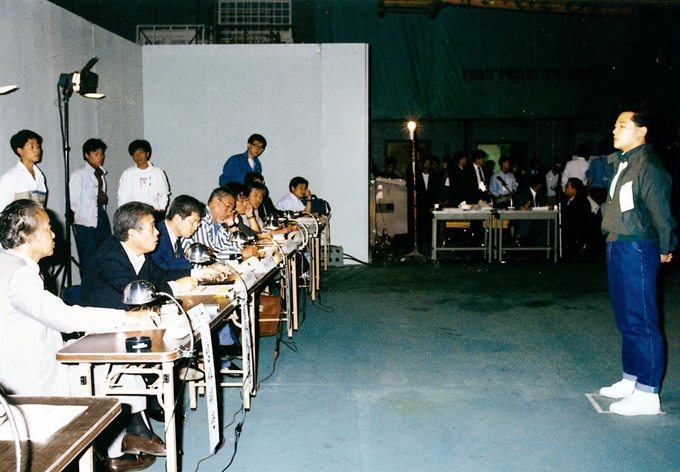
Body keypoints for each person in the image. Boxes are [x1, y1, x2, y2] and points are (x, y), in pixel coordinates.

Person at [0, 199, 162, 472]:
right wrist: (124, 317)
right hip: (31, 379)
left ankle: (120, 444)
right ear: (28, 236)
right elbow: (65, 318)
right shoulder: (19, 276)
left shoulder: (11, 265)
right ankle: (115, 449)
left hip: (35, 362)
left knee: (116, 363)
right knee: (115, 368)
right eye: (49, 228)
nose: (55, 234)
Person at [598, 110, 677, 416]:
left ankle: (647, 393)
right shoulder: (625, 163)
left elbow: (661, 213)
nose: (614, 130)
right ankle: (631, 379)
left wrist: (666, 245)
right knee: (625, 317)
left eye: (622, 126)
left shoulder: (649, 167)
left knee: (641, 319)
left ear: (642, 131)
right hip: (617, 244)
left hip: (638, 247)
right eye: (614, 124)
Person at [80, 202, 197, 310]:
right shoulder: (110, 259)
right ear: (133, 234)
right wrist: (175, 287)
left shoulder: (141, 254)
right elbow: (135, 297)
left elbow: (161, 276)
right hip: (103, 327)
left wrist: (195, 274)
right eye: (152, 227)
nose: (157, 232)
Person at [152, 195, 229, 281]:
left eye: (198, 223)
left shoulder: (175, 237)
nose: (196, 227)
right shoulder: (157, 235)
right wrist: (197, 272)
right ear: (177, 218)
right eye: (193, 222)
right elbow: (160, 270)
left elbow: (178, 266)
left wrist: (208, 268)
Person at [70, 138, 111, 273]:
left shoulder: (100, 173)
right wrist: (77, 221)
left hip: (100, 216)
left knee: (105, 252)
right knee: (88, 257)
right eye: (96, 154)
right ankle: (88, 288)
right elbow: (73, 201)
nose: (100, 157)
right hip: (85, 221)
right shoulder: (79, 174)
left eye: (101, 154)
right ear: (87, 155)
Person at [117, 139, 170, 213]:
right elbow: (122, 197)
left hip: (154, 213)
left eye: (141, 152)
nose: (138, 156)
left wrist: (161, 210)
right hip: (133, 214)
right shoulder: (127, 174)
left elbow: (163, 194)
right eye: (135, 153)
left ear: (147, 154)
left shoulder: (158, 173)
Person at [0, 130, 47, 211]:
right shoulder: (10, 178)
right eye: (32, 147)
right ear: (19, 150)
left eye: (38, 146)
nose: (37, 150)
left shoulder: (40, 176)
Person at [560, 178, 592, 257]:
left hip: (577, 229)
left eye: (567, 186)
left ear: (574, 189)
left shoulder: (582, 202)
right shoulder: (565, 199)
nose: (565, 188)